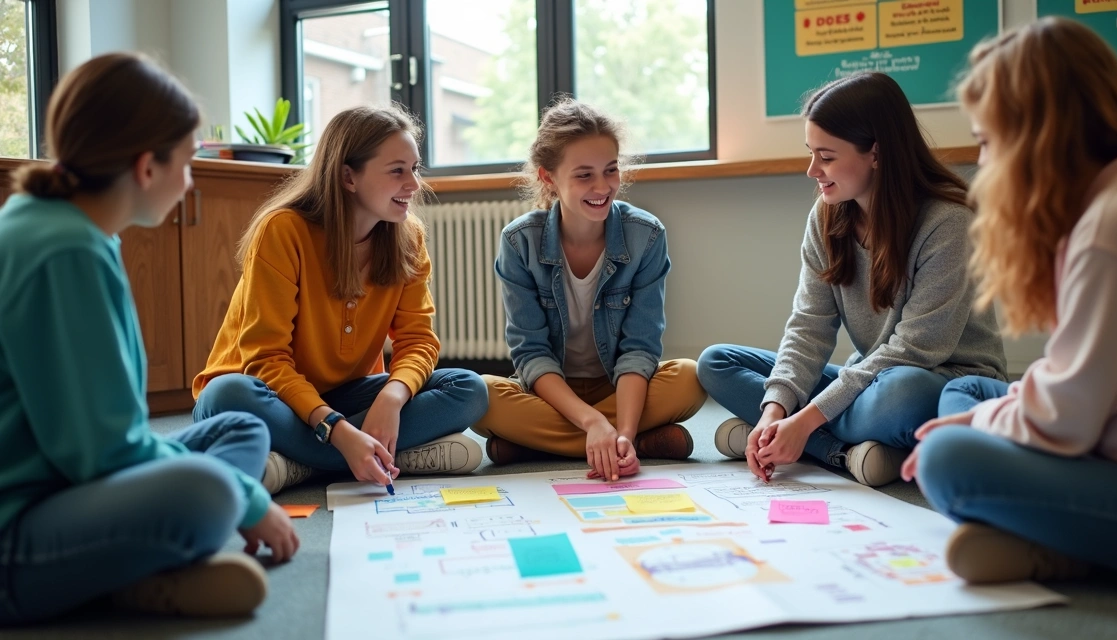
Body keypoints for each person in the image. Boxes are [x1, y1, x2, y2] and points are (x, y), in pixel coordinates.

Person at [903, 18, 1117, 594]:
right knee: (971, 394)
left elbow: (1063, 418)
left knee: (947, 456)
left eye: (987, 141)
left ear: (1035, 137)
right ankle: (1057, 541)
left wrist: (978, 427)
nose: (983, 162)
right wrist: (985, 415)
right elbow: (1080, 381)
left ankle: (1070, 553)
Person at [0, 52, 298, 625]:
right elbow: (104, 452)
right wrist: (249, 499)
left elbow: (106, 440)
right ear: (146, 168)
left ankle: (136, 564)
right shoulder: (66, 249)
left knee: (240, 428)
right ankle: (130, 572)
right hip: (19, 528)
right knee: (212, 491)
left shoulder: (64, 226)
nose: (189, 183)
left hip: (61, 481)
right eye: (187, 163)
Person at [698, 72, 1007, 487]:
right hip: (870, 378)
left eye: (826, 157)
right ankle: (842, 453)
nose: (812, 170)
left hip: (940, 381)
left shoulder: (948, 222)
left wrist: (804, 421)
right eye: (810, 153)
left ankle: (808, 442)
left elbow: (916, 350)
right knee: (717, 362)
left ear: (876, 153)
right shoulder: (827, 216)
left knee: (902, 395)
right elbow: (808, 327)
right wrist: (774, 410)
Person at [193, 106, 488, 495]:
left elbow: (418, 341)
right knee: (226, 394)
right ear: (349, 176)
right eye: (397, 171)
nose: (414, 184)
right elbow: (266, 360)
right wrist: (337, 430)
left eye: (415, 169)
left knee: (468, 389)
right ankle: (367, 454)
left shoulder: (409, 237)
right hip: (267, 393)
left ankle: (298, 463)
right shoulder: (283, 231)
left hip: (345, 395)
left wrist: (391, 398)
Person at [472, 98, 706, 481]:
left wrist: (623, 430)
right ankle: (622, 440)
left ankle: (551, 445)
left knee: (690, 380)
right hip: (552, 393)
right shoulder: (519, 242)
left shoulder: (646, 235)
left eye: (610, 170)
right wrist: (592, 421)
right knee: (478, 395)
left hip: (617, 388)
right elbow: (531, 354)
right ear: (548, 177)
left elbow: (639, 348)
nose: (602, 186)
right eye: (584, 175)